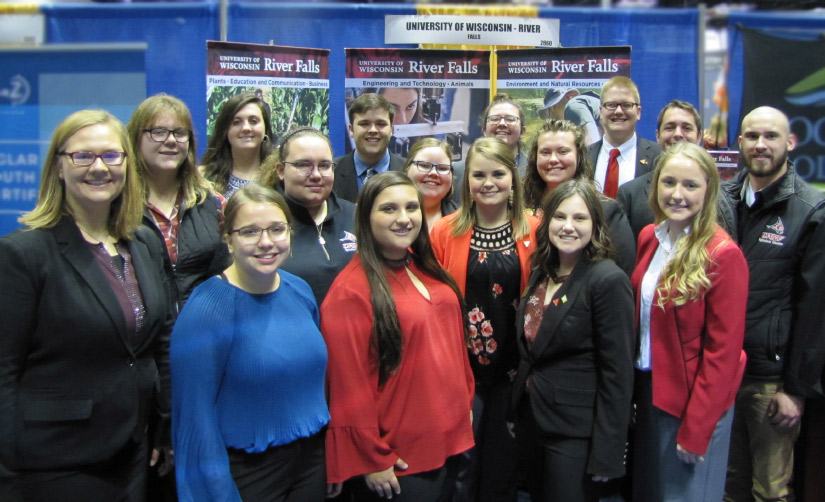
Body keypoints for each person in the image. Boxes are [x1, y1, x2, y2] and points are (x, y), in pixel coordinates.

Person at [0, 109, 174, 501]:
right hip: (55, 461)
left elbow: (158, 340)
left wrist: (163, 423)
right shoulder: (24, 254)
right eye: (83, 156)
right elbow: (4, 371)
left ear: (128, 165)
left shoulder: (143, 242)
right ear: (59, 167)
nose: (99, 167)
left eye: (112, 156)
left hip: (134, 452)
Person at [322, 171, 474, 502]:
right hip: (400, 459)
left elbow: (451, 345)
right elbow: (347, 386)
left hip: (452, 439)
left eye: (411, 207)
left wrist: (464, 403)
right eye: (389, 209)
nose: (403, 218)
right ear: (365, 217)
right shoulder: (351, 292)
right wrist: (370, 457)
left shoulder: (423, 267)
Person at [171, 184, 329, 502]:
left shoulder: (300, 291)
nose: (266, 242)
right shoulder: (207, 309)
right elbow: (194, 422)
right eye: (250, 232)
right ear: (228, 239)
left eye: (276, 229)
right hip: (249, 473)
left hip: (312, 462)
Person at [631, 142, 749, 501]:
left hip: (693, 406)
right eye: (668, 183)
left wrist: (697, 428)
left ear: (708, 190)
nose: (677, 194)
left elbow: (723, 354)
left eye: (690, 185)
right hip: (649, 394)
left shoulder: (723, 255)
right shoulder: (650, 237)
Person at [722, 106, 825, 502]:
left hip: (770, 381)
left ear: (790, 143)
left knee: (770, 491)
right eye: (751, 136)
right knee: (728, 487)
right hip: (724, 371)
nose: (760, 145)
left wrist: (796, 390)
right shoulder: (722, 200)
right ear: (740, 142)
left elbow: (815, 311)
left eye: (770, 136)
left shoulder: (811, 210)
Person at [429, 136, 539, 502]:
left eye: (497, 173)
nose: (488, 182)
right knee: (462, 468)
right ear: (467, 181)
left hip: (514, 373)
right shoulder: (445, 231)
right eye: (478, 175)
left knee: (502, 470)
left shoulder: (536, 230)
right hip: (462, 372)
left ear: (513, 178)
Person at [511, 179, 634, 502]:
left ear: (595, 225)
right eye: (560, 217)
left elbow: (617, 374)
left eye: (579, 218)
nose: (568, 227)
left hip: (576, 435)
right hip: (533, 423)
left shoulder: (607, 280)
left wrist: (608, 452)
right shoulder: (543, 270)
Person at [128, 93, 231, 308]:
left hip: (203, 328)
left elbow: (231, 271)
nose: (171, 140)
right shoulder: (118, 205)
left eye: (179, 133)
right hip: (143, 335)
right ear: (135, 139)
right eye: (158, 132)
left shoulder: (214, 203)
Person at [523, 119, 636, 275]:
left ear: (579, 156)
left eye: (563, 151)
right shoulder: (520, 204)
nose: (553, 159)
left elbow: (622, 270)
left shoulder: (606, 209)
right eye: (545, 152)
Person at [260, 126, 356, 305]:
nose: (316, 175)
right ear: (280, 170)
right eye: (303, 165)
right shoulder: (263, 223)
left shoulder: (355, 215)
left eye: (325, 165)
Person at [617, 100, 704, 241]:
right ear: (657, 136)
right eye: (670, 128)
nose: (678, 134)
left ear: (699, 137)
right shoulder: (630, 194)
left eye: (686, 128)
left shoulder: (718, 192)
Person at [586, 77, 661, 198]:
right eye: (611, 105)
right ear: (600, 112)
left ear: (638, 112)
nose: (619, 111)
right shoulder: (583, 157)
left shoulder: (658, 156)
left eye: (626, 105)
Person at [334, 93, 406, 202]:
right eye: (364, 124)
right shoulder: (332, 172)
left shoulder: (409, 171)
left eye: (381, 124)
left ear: (392, 130)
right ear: (351, 130)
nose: (373, 130)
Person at [201, 92, 274, 199]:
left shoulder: (279, 176)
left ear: (265, 128)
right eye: (236, 122)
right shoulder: (203, 177)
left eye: (253, 121)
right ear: (225, 130)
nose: (246, 128)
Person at [403, 137, 459, 232]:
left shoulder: (465, 221)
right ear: (407, 169)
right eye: (424, 165)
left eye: (442, 168)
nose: (434, 173)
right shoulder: (386, 214)